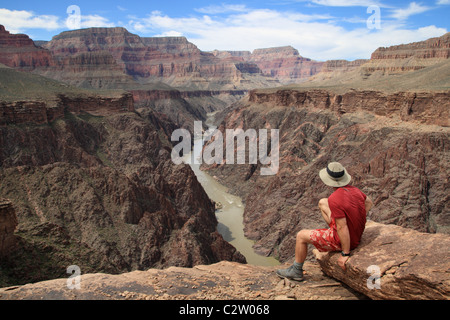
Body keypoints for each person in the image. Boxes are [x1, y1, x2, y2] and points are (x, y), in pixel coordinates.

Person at [276, 162, 373, 281]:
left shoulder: (335, 199)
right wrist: (358, 219)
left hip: (344, 240)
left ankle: (296, 270)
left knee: (301, 236)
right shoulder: (355, 190)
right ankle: (334, 229)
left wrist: (345, 254)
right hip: (355, 234)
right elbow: (369, 202)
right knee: (322, 202)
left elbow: (342, 228)